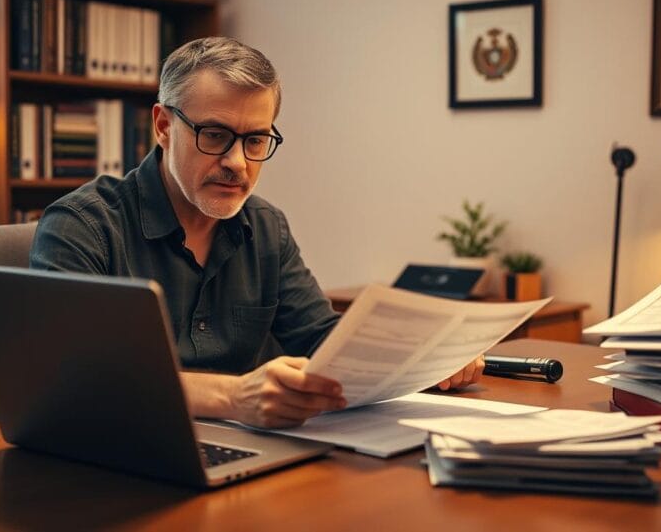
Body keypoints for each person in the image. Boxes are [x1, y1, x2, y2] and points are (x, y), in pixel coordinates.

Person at [30, 37, 485, 428]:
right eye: (214, 135)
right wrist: (232, 397)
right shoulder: (82, 227)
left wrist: (427, 358)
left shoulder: (266, 226)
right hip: (119, 459)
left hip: (246, 453)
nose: (237, 163)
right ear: (164, 127)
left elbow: (322, 341)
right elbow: (75, 378)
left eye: (255, 140)